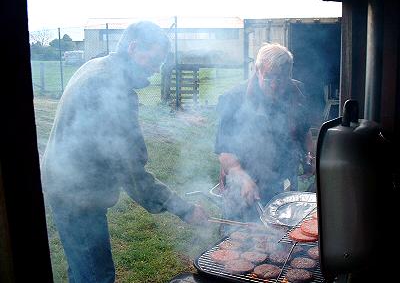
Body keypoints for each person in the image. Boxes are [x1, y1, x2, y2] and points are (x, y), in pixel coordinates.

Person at [41, 21, 208, 283]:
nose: (156, 70)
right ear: (133, 48)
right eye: (154, 60)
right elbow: (132, 173)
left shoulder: (98, 66)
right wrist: (185, 209)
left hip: (65, 183)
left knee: (83, 269)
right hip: (76, 192)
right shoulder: (111, 87)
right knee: (96, 276)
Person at [214, 43, 314, 227]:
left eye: (281, 79)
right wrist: (243, 178)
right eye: (268, 78)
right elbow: (225, 151)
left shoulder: (296, 93)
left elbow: (305, 131)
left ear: (289, 74)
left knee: (281, 233)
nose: (275, 85)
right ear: (257, 70)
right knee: (236, 234)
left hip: (282, 180)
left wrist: (311, 157)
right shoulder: (234, 98)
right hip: (242, 178)